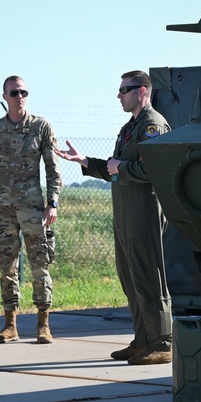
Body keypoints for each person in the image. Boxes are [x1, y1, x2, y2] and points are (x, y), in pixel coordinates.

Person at [56, 70, 173, 365]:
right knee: (130, 277)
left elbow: (154, 170)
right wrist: (84, 161)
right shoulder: (129, 128)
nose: (119, 96)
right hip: (126, 212)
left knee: (149, 277)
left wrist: (120, 167)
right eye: (120, 90)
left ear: (142, 91)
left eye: (125, 90)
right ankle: (143, 339)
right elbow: (114, 169)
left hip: (144, 212)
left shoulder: (153, 126)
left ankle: (162, 343)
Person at [0, 76, 63, 344]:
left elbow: (52, 168)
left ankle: (43, 324)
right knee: (6, 267)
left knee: (40, 265)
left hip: (34, 208)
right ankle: (10, 325)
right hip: (3, 208)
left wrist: (53, 203)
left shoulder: (41, 126)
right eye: (14, 92)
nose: (20, 96)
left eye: (24, 92)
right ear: (5, 96)